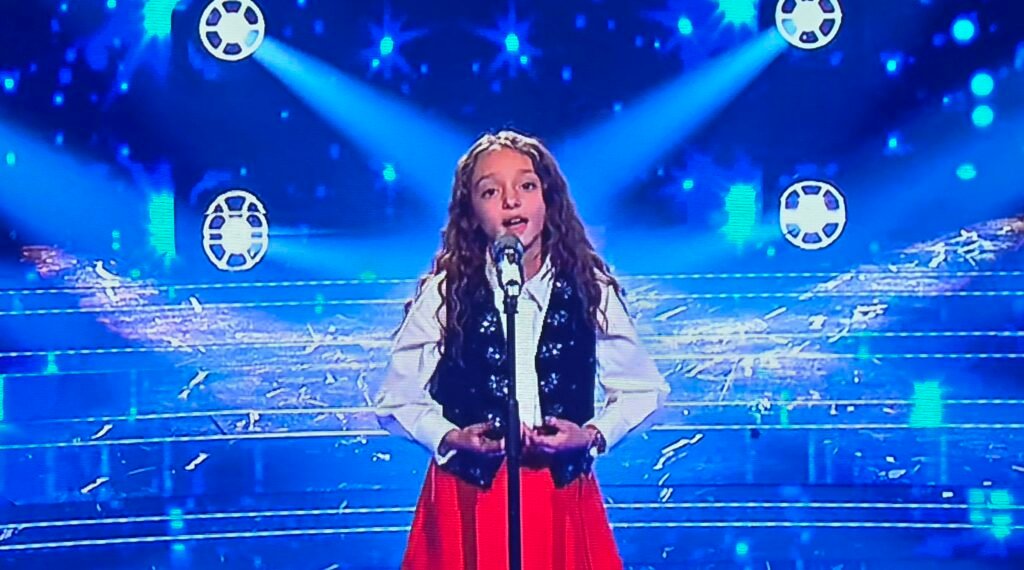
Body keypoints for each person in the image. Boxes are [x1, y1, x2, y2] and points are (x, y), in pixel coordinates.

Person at [375, 130, 669, 570]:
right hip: (469, 496)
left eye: (527, 185)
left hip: (558, 494)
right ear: (471, 213)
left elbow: (643, 389)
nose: (511, 201)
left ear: (548, 199)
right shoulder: (446, 293)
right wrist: (450, 437)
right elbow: (396, 398)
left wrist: (591, 435)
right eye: (490, 191)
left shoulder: (588, 289)